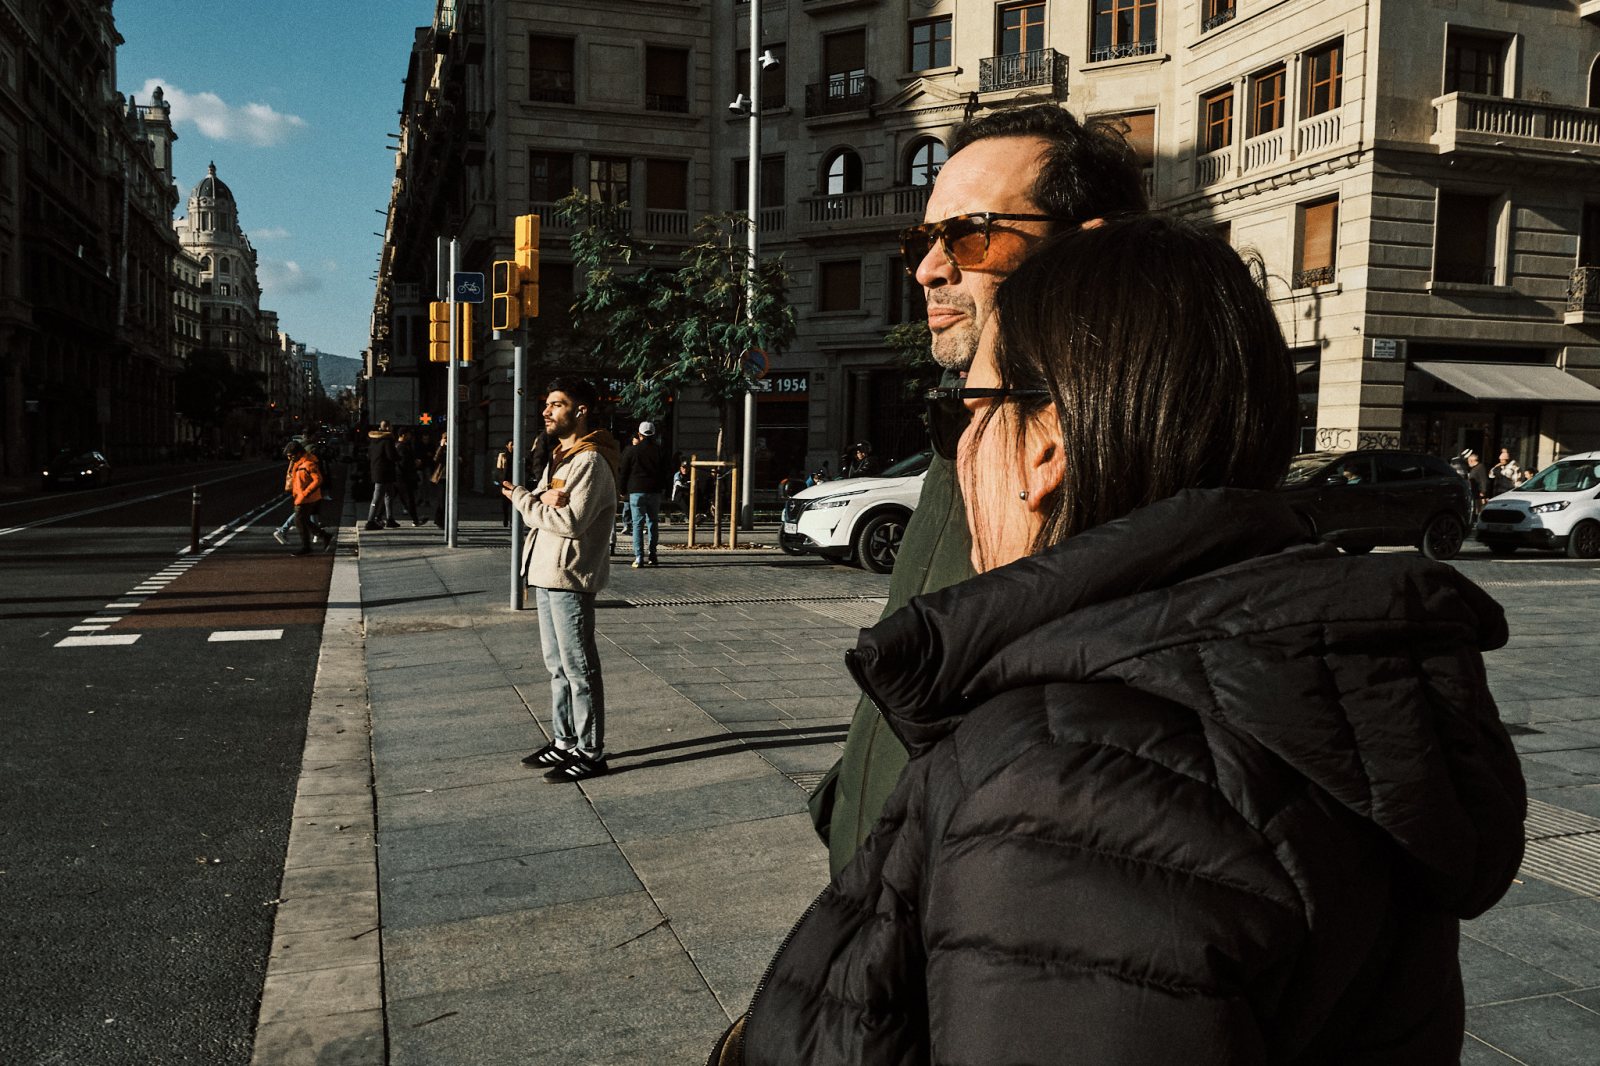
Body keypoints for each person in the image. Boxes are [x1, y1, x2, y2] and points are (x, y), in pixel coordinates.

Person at [714, 215, 1525, 1066]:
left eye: (964, 411)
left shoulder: (1069, 796)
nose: (957, 450)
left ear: (1047, 447)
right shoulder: (1307, 681)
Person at [812, 103, 1149, 875]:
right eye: (923, 241)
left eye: (971, 235)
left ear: (1086, 251)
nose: (930, 268)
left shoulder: (1126, 458)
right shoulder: (964, 426)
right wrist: (847, 802)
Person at [503, 377, 620, 783]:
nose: (546, 411)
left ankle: (590, 751)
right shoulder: (564, 456)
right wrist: (538, 498)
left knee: (579, 668)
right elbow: (544, 502)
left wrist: (523, 499)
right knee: (557, 666)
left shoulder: (589, 461)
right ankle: (564, 741)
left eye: (556, 404)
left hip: (569, 574)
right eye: (547, 404)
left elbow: (568, 521)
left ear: (581, 410)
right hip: (546, 571)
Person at [618, 420, 669, 567]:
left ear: (640, 434)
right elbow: (665, 472)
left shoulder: (631, 451)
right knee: (653, 523)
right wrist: (665, 489)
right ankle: (652, 555)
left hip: (636, 490)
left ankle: (639, 557)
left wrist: (622, 490)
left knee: (637, 524)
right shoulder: (660, 451)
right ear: (654, 434)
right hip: (654, 491)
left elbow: (624, 472)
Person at [284, 440, 333, 556]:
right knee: (303, 520)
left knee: (299, 520)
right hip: (301, 496)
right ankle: (323, 536)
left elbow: (318, 480)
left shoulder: (308, 464)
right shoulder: (299, 463)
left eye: (291, 456)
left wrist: (307, 492)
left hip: (306, 498)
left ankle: (307, 546)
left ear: (299, 453)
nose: (290, 458)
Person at [365, 420, 400, 530]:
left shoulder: (374, 440)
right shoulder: (388, 440)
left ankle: (390, 519)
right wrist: (398, 456)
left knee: (389, 494)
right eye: (391, 426)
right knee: (377, 497)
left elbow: (369, 455)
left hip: (377, 470)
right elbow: (391, 456)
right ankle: (370, 521)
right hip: (384, 472)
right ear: (387, 427)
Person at [394, 429, 424, 526]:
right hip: (403, 477)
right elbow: (404, 463)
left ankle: (378, 517)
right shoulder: (402, 447)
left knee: (389, 498)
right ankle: (415, 520)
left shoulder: (397, 445)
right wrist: (415, 463)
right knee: (409, 499)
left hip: (398, 476)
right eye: (408, 435)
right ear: (403, 435)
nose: (410, 437)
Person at [1463, 448, 1489, 514]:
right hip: (1474, 493)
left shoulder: (1480, 467)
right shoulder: (1474, 468)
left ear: (1471, 461)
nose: (1468, 463)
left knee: (1478, 511)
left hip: (1479, 494)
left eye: (1468, 461)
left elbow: (1484, 480)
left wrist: (1483, 492)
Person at [496, 439, 514, 527]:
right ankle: (506, 518)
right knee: (505, 503)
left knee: (514, 502)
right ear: (507, 446)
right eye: (511, 444)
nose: (513, 446)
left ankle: (513, 520)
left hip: (514, 480)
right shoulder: (503, 455)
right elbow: (499, 469)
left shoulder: (517, 454)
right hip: (505, 480)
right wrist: (500, 481)